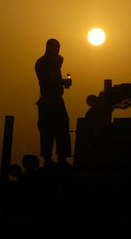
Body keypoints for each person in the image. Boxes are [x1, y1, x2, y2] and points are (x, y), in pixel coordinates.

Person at [34, 38, 73, 169]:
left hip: (54, 100)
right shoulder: (45, 62)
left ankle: (57, 159)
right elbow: (51, 80)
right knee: (52, 131)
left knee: (57, 130)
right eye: (56, 48)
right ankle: (51, 160)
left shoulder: (48, 62)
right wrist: (64, 82)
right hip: (50, 101)